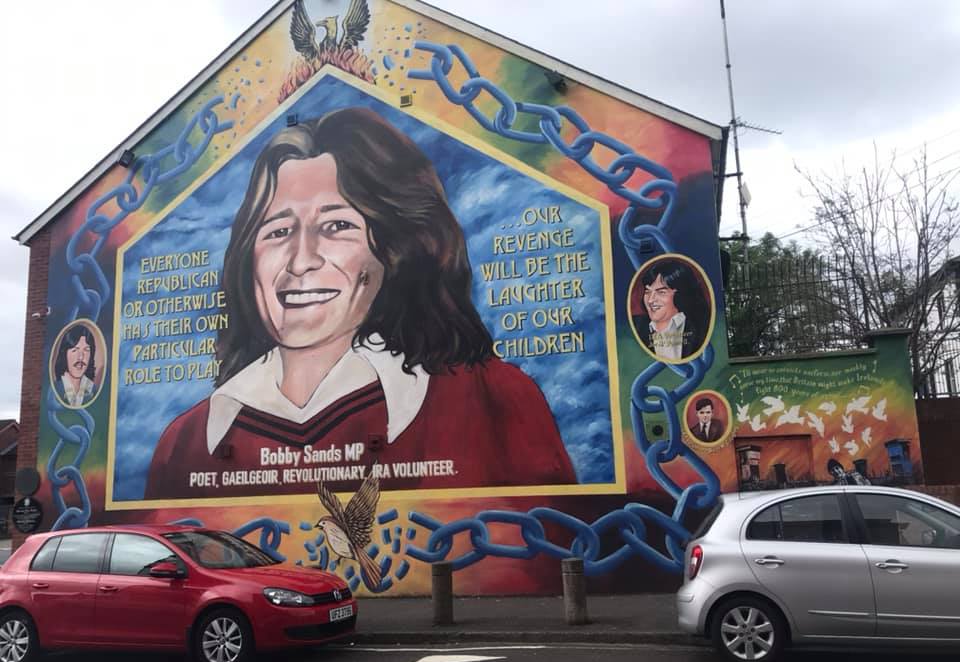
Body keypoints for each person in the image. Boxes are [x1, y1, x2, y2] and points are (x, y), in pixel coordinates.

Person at [147, 107, 576, 499]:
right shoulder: (186, 444)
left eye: (336, 226)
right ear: (248, 258)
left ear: (395, 248)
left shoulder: (494, 403)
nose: (300, 261)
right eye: (278, 231)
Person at [632, 258, 710, 362]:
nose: (650, 300)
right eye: (647, 292)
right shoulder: (634, 326)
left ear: (680, 294)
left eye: (661, 292)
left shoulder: (702, 326)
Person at [53, 323, 98, 408]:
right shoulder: (54, 390)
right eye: (74, 350)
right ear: (64, 354)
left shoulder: (94, 390)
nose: (81, 357)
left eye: (86, 350)